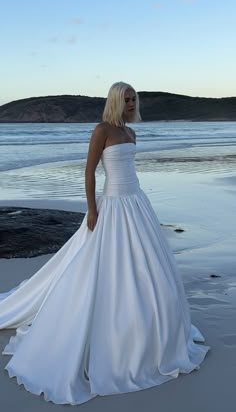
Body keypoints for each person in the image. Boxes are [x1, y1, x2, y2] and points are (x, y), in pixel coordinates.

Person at [0, 82, 209, 405]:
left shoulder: (130, 133)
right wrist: (92, 209)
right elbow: (89, 172)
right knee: (101, 265)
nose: (130, 103)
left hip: (136, 203)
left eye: (133, 98)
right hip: (112, 205)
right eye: (125, 99)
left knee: (149, 267)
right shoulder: (102, 130)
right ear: (114, 101)